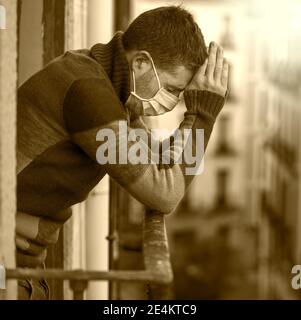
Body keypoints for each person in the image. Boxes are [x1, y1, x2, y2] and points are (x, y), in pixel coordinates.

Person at [16, 5, 228, 299]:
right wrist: (202, 114)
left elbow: (160, 165)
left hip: (22, 264)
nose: (173, 101)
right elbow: (165, 193)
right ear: (141, 62)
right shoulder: (87, 93)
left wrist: (196, 115)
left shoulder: (104, 84)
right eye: (171, 88)